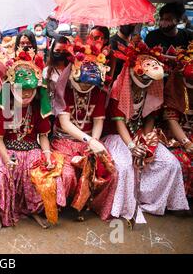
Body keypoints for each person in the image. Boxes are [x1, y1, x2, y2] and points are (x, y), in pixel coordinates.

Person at [102, 41, 189, 226]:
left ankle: (152, 204)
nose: (146, 83)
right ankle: (125, 205)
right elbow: (119, 126)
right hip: (118, 137)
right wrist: (133, 146)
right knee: (126, 166)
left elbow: (150, 117)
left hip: (139, 135)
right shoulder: (120, 88)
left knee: (171, 164)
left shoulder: (152, 89)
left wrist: (147, 141)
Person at [51, 38, 117, 222]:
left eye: (91, 84)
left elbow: (98, 121)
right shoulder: (64, 89)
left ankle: (91, 206)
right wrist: (91, 141)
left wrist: (94, 142)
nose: (87, 87)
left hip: (89, 141)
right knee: (67, 175)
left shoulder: (97, 90)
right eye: (84, 83)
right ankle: (66, 207)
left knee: (110, 170)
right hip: (63, 141)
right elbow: (64, 124)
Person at [0, 48, 51, 231]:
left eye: (31, 90)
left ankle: (35, 210)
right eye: (22, 89)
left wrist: (47, 156)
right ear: (12, 87)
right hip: (7, 150)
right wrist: (6, 159)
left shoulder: (37, 106)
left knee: (45, 175)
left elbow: (43, 136)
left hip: (32, 149)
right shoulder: (3, 104)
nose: (27, 94)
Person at [162, 42, 193, 199]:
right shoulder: (176, 84)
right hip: (176, 138)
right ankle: (180, 200)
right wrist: (187, 143)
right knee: (183, 163)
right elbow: (171, 119)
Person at [42, 36, 71, 109]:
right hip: (54, 109)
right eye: (57, 50)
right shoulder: (47, 71)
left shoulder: (74, 69)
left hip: (71, 107)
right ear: (52, 51)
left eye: (64, 51)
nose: (61, 53)